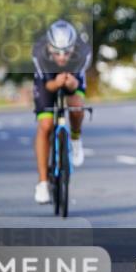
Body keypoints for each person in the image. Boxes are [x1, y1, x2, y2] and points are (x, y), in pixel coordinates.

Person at [32, 20, 91, 204]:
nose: (62, 57)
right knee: (46, 125)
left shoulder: (83, 53)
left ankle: (75, 137)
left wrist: (71, 85)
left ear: (74, 47)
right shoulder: (39, 53)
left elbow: (77, 84)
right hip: (47, 80)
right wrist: (57, 83)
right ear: (49, 46)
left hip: (73, 76)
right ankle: (42, 183)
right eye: (57, 52)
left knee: (76, 106)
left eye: (66, 52)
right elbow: (47, 85)